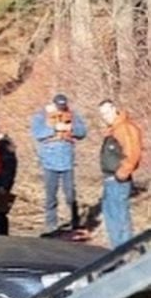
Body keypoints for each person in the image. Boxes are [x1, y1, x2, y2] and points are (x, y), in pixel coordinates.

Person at [30, 92, 87, 232]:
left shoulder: (73, 115)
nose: (61, 108)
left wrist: (71, 128)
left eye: (63, 106)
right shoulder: (41, 116)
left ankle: (75, 222)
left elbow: (83, 132)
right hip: (49, 161)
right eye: (59, 106)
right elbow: (37, 133)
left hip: (67, 161)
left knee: (70, 195)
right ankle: (51, 224)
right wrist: (54, 128)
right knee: (51, 195)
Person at [98, 98, 143, 248]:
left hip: (118, 180)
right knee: (111, 216)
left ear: (114, 109)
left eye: (107, 112)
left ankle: (125, 250)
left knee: (119, 217)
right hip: (110, 179)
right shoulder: (113, 129)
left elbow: (133, 153)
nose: (105, 116)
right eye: (102, 114)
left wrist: (122, 173)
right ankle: (117, 250)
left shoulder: (124, 128)